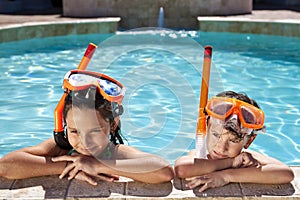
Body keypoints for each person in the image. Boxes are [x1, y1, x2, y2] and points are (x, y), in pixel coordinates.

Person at [0, 69, 174, 185]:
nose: (84, 140)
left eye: (95, 131)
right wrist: (68, 166)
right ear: (65, 126)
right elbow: (5, 166)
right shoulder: (61, 147)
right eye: (75, 131)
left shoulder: (112, 153)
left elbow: (164, 171)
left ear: (112, 125)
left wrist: (98, 166)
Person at [174, 91, 294, 192]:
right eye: (216, 135)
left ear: (249, 141)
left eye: (233, 141)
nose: (221, 148)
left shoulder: (248, 159)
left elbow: (286, 173)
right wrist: (231, 163)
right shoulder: (200, 153)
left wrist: (226, 176)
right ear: (206, 129)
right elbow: (181, 169)